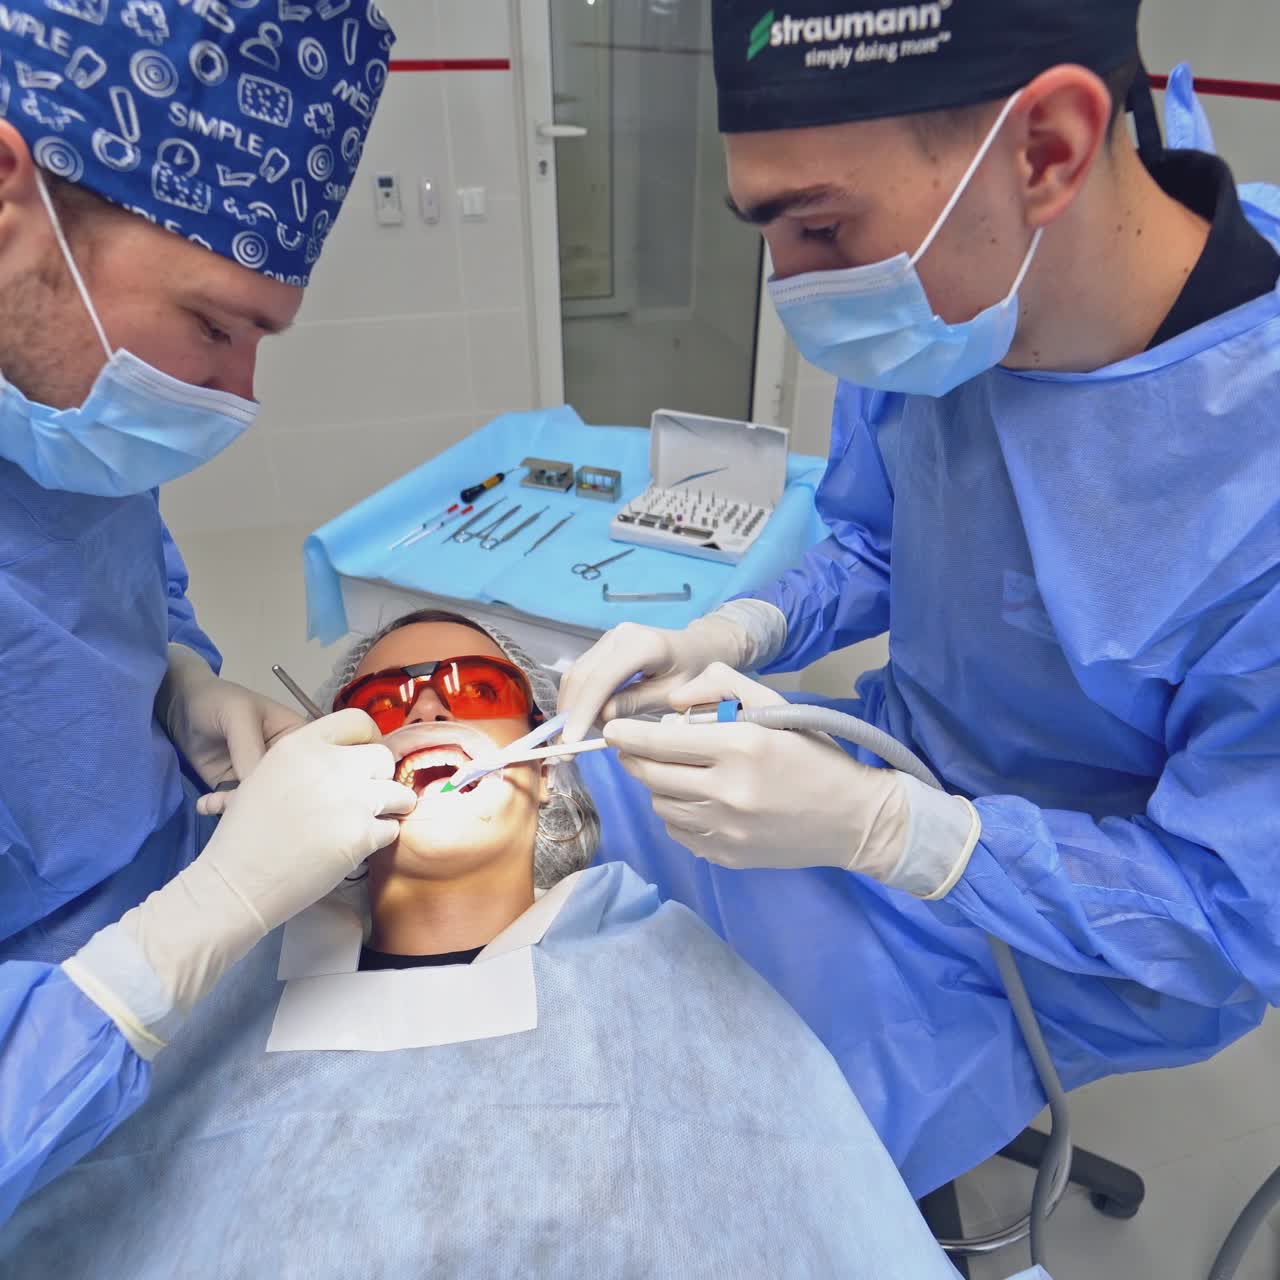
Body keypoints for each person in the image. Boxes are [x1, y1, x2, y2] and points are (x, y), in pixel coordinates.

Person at [559, 0, 1280, 1198]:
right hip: (899, 758)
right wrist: (735, 630)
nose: (796, 288)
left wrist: (897, 834)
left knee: (727, 1174)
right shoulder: (952, 308)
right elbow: (880, 541)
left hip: (1085, 935)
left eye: (824, 227)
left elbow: (1226, 916)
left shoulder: (1245, 455)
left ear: (1044, 148)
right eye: (768, 231)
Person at [0, 610, 1035, 1280]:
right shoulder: (210, 960)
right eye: (382, 702)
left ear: (545, 766)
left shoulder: (652, 961)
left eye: (478, 689)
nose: (432, 703)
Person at [0, 1, 417, 1220]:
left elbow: (122, 564)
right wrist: (194, 928)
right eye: (211, 324)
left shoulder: (47, 400)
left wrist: (181, 671)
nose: (233, 396)